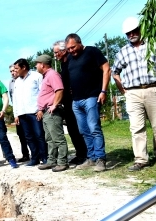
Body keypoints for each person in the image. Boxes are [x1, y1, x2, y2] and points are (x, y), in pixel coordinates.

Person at [112, 16, 156, 171]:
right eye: (128, 33)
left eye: (134, 31)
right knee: (137, 127)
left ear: (140, 29)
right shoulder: (123, 52)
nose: (131, 34)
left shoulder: (154, 45)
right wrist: (123, 90)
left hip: (154, 89)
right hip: (133, 93)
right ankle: (141, 159)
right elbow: (115, 72)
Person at [65, 33, 111, 172]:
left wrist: (103, 91)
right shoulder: (70, 59)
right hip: (77, 101)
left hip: (92, 97)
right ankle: (91, 158)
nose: (71, 50)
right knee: (83, 131)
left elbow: (106, 69)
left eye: (73, 47)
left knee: (94, 128)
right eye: (69, 49)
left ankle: (100, 159)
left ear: (80, 43)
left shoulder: (92, 51)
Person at [52, 40, 87, 165]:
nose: (55, 55)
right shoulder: (63, 64)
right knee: (72, 129)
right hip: (67, 101)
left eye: (56, 52)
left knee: (80, 128)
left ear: (64, 50)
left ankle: (86, 153)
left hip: (76, 99)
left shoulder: (73, 60)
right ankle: (80, 153)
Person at [35, 55, 69, 172]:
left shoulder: (52, 74)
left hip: (52, 111)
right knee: (49, 139)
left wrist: (55, 104)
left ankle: (62, 162)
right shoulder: (46, 76)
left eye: (37, 64)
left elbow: (59, 89)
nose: (36, 66)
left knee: (58, 138)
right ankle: (51, 161)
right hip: (46, 112)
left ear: (42, 64)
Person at [13, 58, 48, 166]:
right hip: (22, 114)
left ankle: (45, 157)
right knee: (29, 137)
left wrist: (41, 109)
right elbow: (15, 99)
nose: (15, 71)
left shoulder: (36, 76)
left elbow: (43, 93)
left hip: (34, 112)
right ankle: (35, 158)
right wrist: (16, 114)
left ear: (24, 67)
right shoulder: (17, 82)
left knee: (39, 135)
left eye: (17, 68)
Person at [8, 64, 30, 162]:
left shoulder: (26, 79)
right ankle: (25, 155)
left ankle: (40, 153)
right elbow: (12, 99)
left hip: (29, 111)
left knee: (32, 134)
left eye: (14, 70)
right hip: (18, 112)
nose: (13, 72)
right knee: (21, 134)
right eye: (11, 71)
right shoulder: (11, 83)